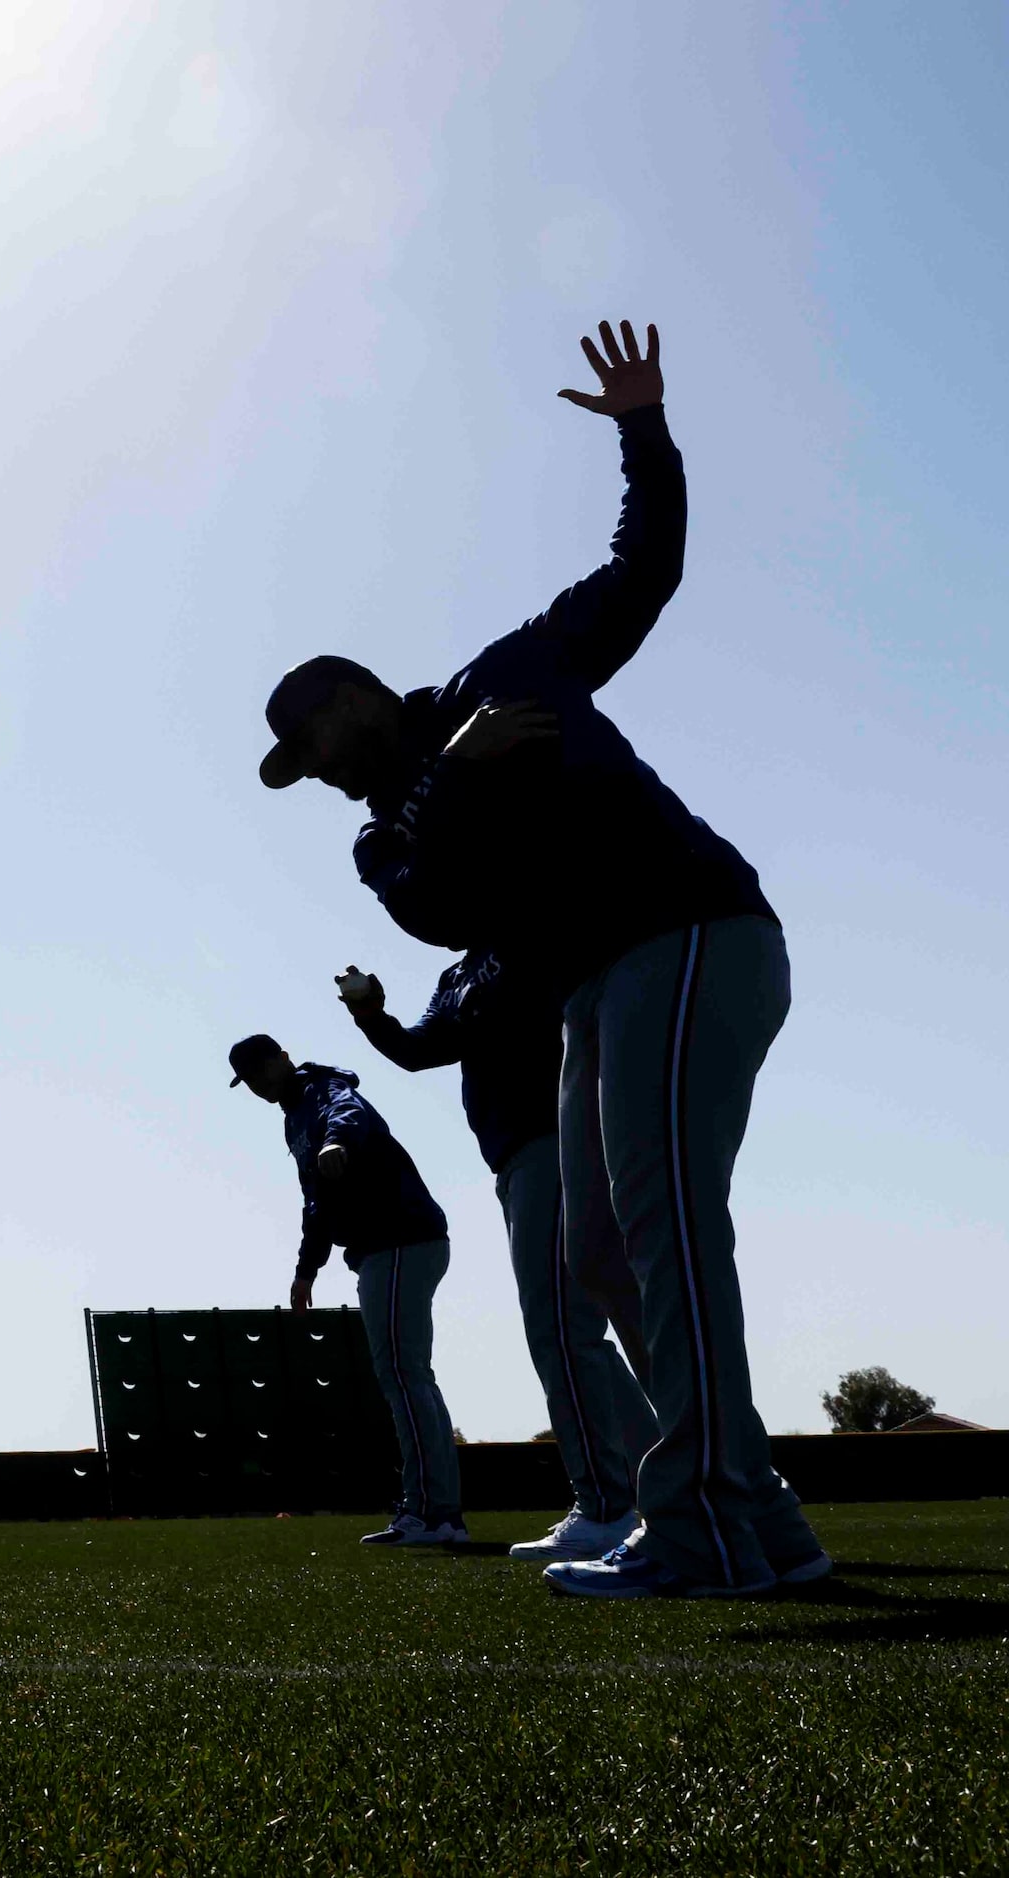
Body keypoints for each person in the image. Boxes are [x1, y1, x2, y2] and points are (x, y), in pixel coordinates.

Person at [255, 321, 826, 1598]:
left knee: (664, 1228)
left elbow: (642, 570)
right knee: (603, 1257)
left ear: (350, 696)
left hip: (687, 934)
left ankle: (708, 1524)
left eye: (312, 743)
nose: (318, 774)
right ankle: (760, 1519)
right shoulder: (380, 837)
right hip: (592, 991)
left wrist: (640, 427)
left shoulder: (506, 670)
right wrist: (453, 782)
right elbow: (435, 918)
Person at [336, 961, 656, 1563]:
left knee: (565, 1328)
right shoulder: (459, 973)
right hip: (519, 1155)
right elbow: (419, 1049)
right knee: (592, 1331)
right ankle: (680, 1483)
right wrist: (371, 1014)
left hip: (556, 1138)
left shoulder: (527, 937)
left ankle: (610, 1507)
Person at [228, 1035, 464, 1546]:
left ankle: (432, 1514)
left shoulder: (321, 1089)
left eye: (258, 1071)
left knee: (403, 1374)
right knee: (410, 1375)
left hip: (399, 1241)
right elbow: (318, 1202)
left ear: (282, 1058)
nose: (255, 1084)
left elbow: (350, 1112)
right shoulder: (294, 1116)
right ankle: (438, 1511)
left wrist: (337, 1141)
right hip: (389, 1247)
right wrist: (307, 1268)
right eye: (246, 1080)